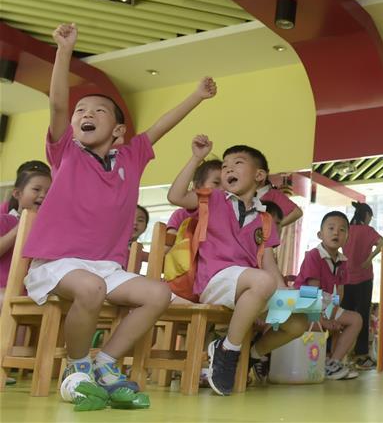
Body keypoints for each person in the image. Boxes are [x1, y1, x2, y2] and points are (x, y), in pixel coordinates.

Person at [22, 23, 216, 402]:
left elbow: (160, 127)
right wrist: (64, 51)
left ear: (119, 131)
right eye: (81, 111)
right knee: (90, 288)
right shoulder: (67, 153)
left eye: (97, 111)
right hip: (56, 263)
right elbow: (58, 103)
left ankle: (106, 362)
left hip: (104, 267)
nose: (84, 114)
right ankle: (76, 367)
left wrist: (197, 95)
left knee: (157, 293)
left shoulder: (131, 157)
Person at [168, 136, 309, 396]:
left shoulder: (266, 219)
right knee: (262, 281)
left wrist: (288, 299)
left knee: (298, 323)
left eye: (238, 163)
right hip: (214, 281)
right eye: (225, 166)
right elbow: (175, 196)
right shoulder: (212, 199)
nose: (228, 168)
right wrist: (196, 158)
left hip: (250, 287)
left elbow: (269, 264)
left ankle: (252, 355)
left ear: (260, 176)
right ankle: (227, 351)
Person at [295, 211, 362, 380]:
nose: (336, 233)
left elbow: (339, 293)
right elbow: (311, 292)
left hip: (326, 304)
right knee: (317, 324)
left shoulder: (342, 261)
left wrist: (332, 314)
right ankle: (321, 363)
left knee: (356, 319)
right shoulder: (314, 256)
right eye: (331, 228)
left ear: (347, 236)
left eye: (342, 230)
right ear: (320, 234)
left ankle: (333, 363)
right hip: (306, 303)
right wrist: (322, 320)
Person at [341, 201, 383, 369]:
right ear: (366, 216)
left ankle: (342, 353)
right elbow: (382, 242)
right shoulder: (368, 231)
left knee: (344, 316)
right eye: (370, 217)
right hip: (364, 278)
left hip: (346, 278)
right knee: (363, 316)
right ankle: (361, 355)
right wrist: (369, 259)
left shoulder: (347, 230)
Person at [1, 165, 52, 307]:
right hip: (3, 288)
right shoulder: (4, 220)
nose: (43, 195)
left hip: (29, 292)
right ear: (17, 194)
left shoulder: (46, 230)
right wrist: (22, 226)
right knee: (12, 304)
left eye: (49, 192)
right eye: (36, 189)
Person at [165, 159, 221, 240]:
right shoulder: (180, 215)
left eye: (227, 183)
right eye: (216, 183)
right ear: (197, 186)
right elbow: (169, 242)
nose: (223, 189)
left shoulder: (226, 210)